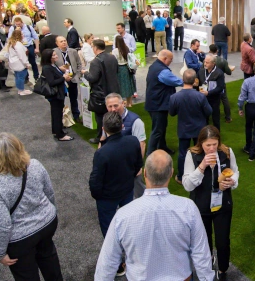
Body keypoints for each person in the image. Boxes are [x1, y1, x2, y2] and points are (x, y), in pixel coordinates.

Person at [94, 151, 213, 281]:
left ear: (145, 173)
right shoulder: (188, 208)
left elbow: (107, 263)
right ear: (171, 173)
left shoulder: (123, 215)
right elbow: (201, 254)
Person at [0, 134, 64, 280]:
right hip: (48, 223)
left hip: (21, 238)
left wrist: (0, 253)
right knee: (49, 259)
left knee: (26, 275)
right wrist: (50, 214)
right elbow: (49, 193)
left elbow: (2, 224)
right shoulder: (35, 164)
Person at [183, 126, 239, 281]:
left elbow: (235, 172)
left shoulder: (227, 152)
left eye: (215, 144)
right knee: (204, 241)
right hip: (201, 205)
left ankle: (222, 270)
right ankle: (207, 266)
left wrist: (232, 182)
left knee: (223, 242)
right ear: (201, 143)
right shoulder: (192, 155)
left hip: (223, 205)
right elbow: (187, 184)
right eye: (208, 145)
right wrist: (202, 166)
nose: (212, 148)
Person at [90, 111, 144, 238]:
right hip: (127, 190)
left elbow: (95, 180)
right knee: (129, 222)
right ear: (122, 126)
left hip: (107, 196)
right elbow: (138, 165)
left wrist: (98, 196)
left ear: (104, 129)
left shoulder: (102, 153)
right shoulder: (133, 141)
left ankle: (114, 253)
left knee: (109, 229)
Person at [170, 69, 212, 182]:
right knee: (199, 151)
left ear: (183, 80)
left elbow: (172, 113)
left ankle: (180, 176)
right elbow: (209, 111)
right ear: (194, 81)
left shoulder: (174, 97)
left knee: (183, 153)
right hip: (199, 129)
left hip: (184, 129)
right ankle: (201, 173)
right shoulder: (200, 96)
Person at [145, 50, 183, 155]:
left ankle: (162, 147)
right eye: (171, 59)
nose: (171, 62)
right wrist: (189, 81)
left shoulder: (154, 66)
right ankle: (150, 154)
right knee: (157, 130)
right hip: (158, 105)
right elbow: (175, 81)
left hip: (154, 103)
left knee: (161, 127)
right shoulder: (162, 71)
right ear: (165, 59)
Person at [84, 39, 121, 143]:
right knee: (114, 114)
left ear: (95, 48)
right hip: (114, 90)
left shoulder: (95, 61)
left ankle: (101, 137)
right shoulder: (112, 57)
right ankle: (115, 133)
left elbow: (93, 78)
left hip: (101, 93)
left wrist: (85, 73)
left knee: (100, 117)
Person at [40, 49, 75, 142]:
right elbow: (51, 82)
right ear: (48, 57)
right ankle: (60, 135)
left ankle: (56, 131)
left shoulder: (52, 65)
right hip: (55, 94)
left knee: (56, 113)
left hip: (58, 93)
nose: (56, 56)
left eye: (55, 54)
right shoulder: (47, 68)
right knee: (57, 113)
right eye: (53, 55)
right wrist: (63, 77)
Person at [54, 36, 83, 119]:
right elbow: (52, 66)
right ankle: (64, 117)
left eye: (64, 41)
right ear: (57, 44)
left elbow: (79, 64)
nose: (64, 43)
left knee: (74, 98)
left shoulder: (73, 51)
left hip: (73, 78)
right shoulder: (54, 52)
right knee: (61, 99)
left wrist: (77, 75)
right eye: (61, 41)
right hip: (61, 79)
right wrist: (60, 69)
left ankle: (76, 116)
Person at [198, 53, 226, 130]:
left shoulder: (219, 73)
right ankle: (205, 135)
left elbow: (220, 87)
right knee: (204, 118)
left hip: (214, 99)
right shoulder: (201, 71)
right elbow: (197, 82)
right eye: (204, 62)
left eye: (207, 62)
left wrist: (208, 93)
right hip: (203, 98)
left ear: (213, 63)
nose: (205, 64)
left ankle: (217, 136)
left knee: (215, 118)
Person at [9, 16, 40, 82]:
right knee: (23, 62)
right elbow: (10, 38)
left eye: (19, 24)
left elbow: (35, 37)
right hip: (19, 47)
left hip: (29, 45)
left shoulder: (28, 27)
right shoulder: (13, 28)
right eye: (16, 24)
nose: (18, 26)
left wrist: (37, 48)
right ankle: (26, 77)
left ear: (22, 23)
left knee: (33, 62)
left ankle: (36, 76)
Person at [209, 44, 234, 123]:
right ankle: (228, 117)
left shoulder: (207, 60)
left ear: (210, 51)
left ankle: (209, 116)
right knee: (224, 99)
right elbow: (229, 72)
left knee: (210, 100)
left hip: (210, 83)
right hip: (220, 83)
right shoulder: (223, 60)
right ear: (217, 50)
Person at [7, 29, 33, 96]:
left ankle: (20, 89)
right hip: (19, 63)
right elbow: (22, 56)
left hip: (13, 63)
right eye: (21, 34)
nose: (23, 35)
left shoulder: (11, 43)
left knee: (17, 77)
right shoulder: (18, 44)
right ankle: (21, 90)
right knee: (21, 77)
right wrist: (27, 63)